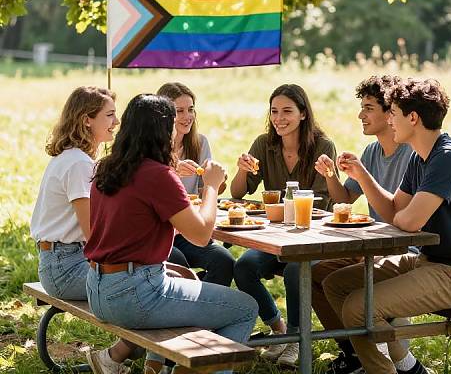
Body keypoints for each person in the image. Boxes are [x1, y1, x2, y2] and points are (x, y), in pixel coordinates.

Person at [322, 78, 451, 374]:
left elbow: (409, 221)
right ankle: (383, 364)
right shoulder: (420, 157)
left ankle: (389, 368)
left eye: (394, 114)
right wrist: (362, 175)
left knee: (358, 307)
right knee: (334, 284)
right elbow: (393, 210)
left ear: (412, 118)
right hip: (427, 261)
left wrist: (402, 217)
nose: (390, 121)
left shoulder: (448, 158)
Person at [85, 94, 258, 374]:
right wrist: (211, 186)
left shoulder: (107, 167)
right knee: (245, 308)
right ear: (164, 131)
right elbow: (202, 236)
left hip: (98, 288)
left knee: (187, 278)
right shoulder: (158, 175)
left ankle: (168, 366)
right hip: (135, 294)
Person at [313, 75, 419, 374]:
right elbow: (344, 199)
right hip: (372, 244)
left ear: (391, 113)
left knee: (355, 291)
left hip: (402, 247)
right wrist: (331, 176)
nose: (361, 114)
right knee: (315, 271)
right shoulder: (372, 152)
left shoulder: (412, 154)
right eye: (361, 107)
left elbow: (405, 218)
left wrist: (362, 175)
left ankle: (391, 359)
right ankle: (353, 352)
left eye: (369, 108)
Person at [30, 86, 136, 374]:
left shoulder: (73, 158)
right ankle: (113, 359)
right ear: (86, 120)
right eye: (110, 115)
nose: (116, 122)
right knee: (139, 287)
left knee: (146, 276)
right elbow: (94, 233)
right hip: (65, 267)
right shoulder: (78, 164)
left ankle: (127, 357)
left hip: (62, 260)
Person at [231, 83, 336, 367]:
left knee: (294, 270)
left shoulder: (323, 147)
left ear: (303, 114)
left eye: (287, 111)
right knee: (243, 267)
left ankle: (295, 339)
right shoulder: (264, 144)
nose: (279, 118)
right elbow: (238, 193)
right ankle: (278, 328)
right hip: (275, 235)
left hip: (311, 237)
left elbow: (322, 204)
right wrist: (242, 169)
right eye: (274, 111)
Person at [156, 82, 234, 286]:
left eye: (190, 110)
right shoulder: (152, 146)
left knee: (224, 260)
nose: (187, 116)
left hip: (187, 227)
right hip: (159, 229)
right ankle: (189, 304)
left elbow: (203, 194)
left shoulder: (199, 143)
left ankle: (205, 310)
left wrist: (217, 182)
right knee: (179, 263)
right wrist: (171, 171)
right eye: (179, 111)